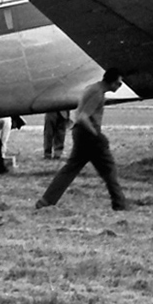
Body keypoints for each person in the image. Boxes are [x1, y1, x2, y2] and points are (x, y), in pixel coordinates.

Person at [35, 68, 131, 211]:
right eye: (118, 83)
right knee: (109, 169)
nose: (119, 86)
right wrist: (97, 136)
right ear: (111, 82)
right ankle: (119, 204)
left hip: (79, 133)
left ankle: (45, 201)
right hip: (89, 134)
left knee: (70, 169)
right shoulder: (98, 93)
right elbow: (83, 117)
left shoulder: (92, 88)